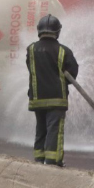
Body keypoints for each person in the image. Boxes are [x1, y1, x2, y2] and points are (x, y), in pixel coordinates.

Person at [26, 14, 79, 167]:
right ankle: (53, 161)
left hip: (37, 98)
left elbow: (31, 68)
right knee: (55, 129)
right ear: (57, 31)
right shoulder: (64, 51)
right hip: (57, 99)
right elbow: (72, 74)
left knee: (41, 128)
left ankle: (38, 160)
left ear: (39, 30)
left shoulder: (30, 49)